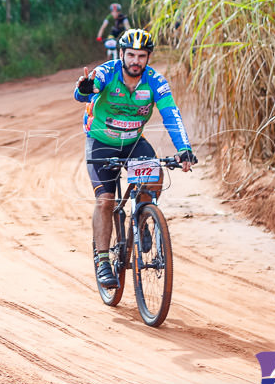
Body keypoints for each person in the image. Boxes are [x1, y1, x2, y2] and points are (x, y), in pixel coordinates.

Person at [73, 28, 196, 288]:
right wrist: (85, 89)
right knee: (105, 201)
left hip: (132, 143)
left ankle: (142, 217)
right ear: (121, 54)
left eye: (141, 56)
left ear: (148, 58)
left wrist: (184, 148)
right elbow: (87, 89)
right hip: (101, 143)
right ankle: (103, 260)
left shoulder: (155, 82)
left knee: (154, 178)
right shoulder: (108, 72)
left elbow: (171, 115)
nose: (135, 61)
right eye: (130, 55)